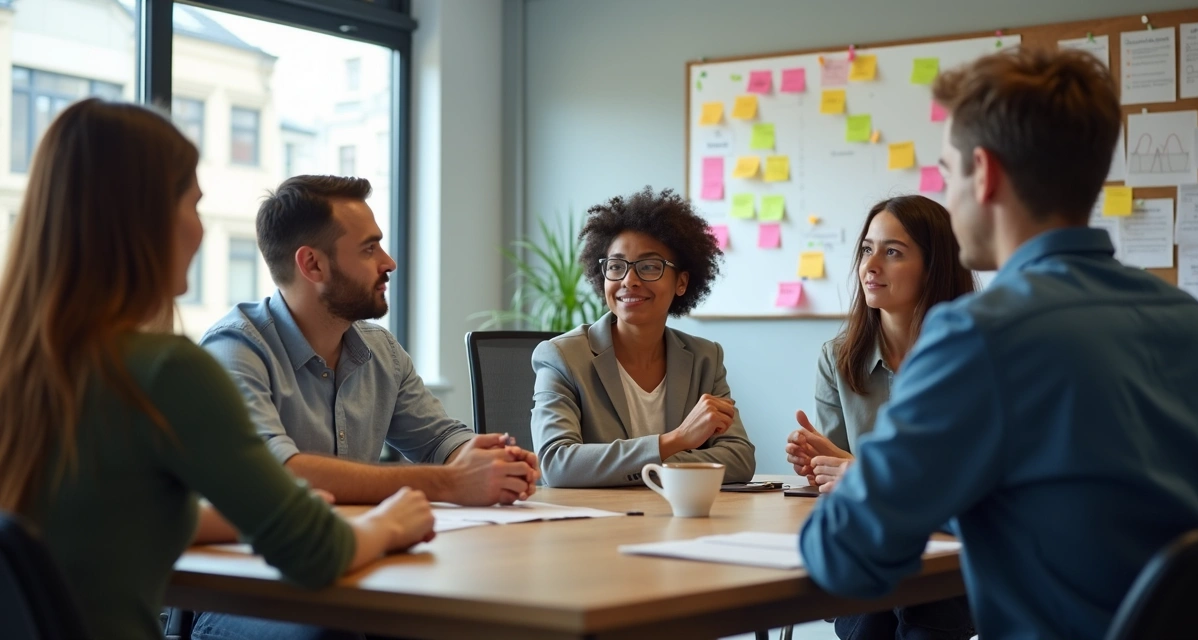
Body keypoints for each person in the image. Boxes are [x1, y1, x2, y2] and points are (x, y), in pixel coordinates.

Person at [797, 47, 1198, 640]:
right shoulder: (1191, 323)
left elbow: (846, 552)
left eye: (947, 173)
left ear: (985, 174)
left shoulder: (976, 335)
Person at [0, 99, 435, 640]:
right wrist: (390, 522)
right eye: (194, 204)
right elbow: (316, 554)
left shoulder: (25, 367)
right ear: (145, 221)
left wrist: (252, 510)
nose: (200, 230)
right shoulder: (165, 371)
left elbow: (100, 518)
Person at [198, 175, 539, 507]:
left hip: (363, 546)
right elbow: (274, 472)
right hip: (266, 560)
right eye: (369, 248)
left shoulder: (381, 351)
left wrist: (491, 459)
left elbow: (439, 440)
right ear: (313, 265)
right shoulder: (234, 350)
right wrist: (451, 482)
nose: (388, 262)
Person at [787, 195, 976, 639]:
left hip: (951, 552)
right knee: (871, 611)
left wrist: (862, 473)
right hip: (871, 547)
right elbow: (838, 481)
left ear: (935, 266)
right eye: (867, 249)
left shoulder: (971, 356)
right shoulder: (837, 358)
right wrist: (820, 461)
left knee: (918, 610)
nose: (871, 266)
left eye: (892, 252)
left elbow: (971, 483)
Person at [531, 187, 756, 487]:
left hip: (678, 520)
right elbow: (557, 464)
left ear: (682, 282)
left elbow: (739, 459)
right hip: (596, 526)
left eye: (649, 266)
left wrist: (642, 466)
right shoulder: (562, 358)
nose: (629, 281)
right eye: (616, 266)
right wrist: (675, 441)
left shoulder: (705, 358)